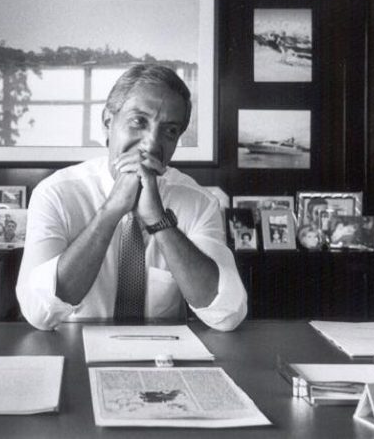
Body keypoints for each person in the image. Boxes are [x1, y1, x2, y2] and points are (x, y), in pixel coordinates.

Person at [16, 64, 247, 332]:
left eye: (169, 131)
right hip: (77, 351)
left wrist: (160, 221)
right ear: (107, 122)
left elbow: (228, 315)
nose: (150, 143)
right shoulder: (55, 193)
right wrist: (112, 211)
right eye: (139, 121)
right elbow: (38, 313)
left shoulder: (199, 202)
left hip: (162, 357)